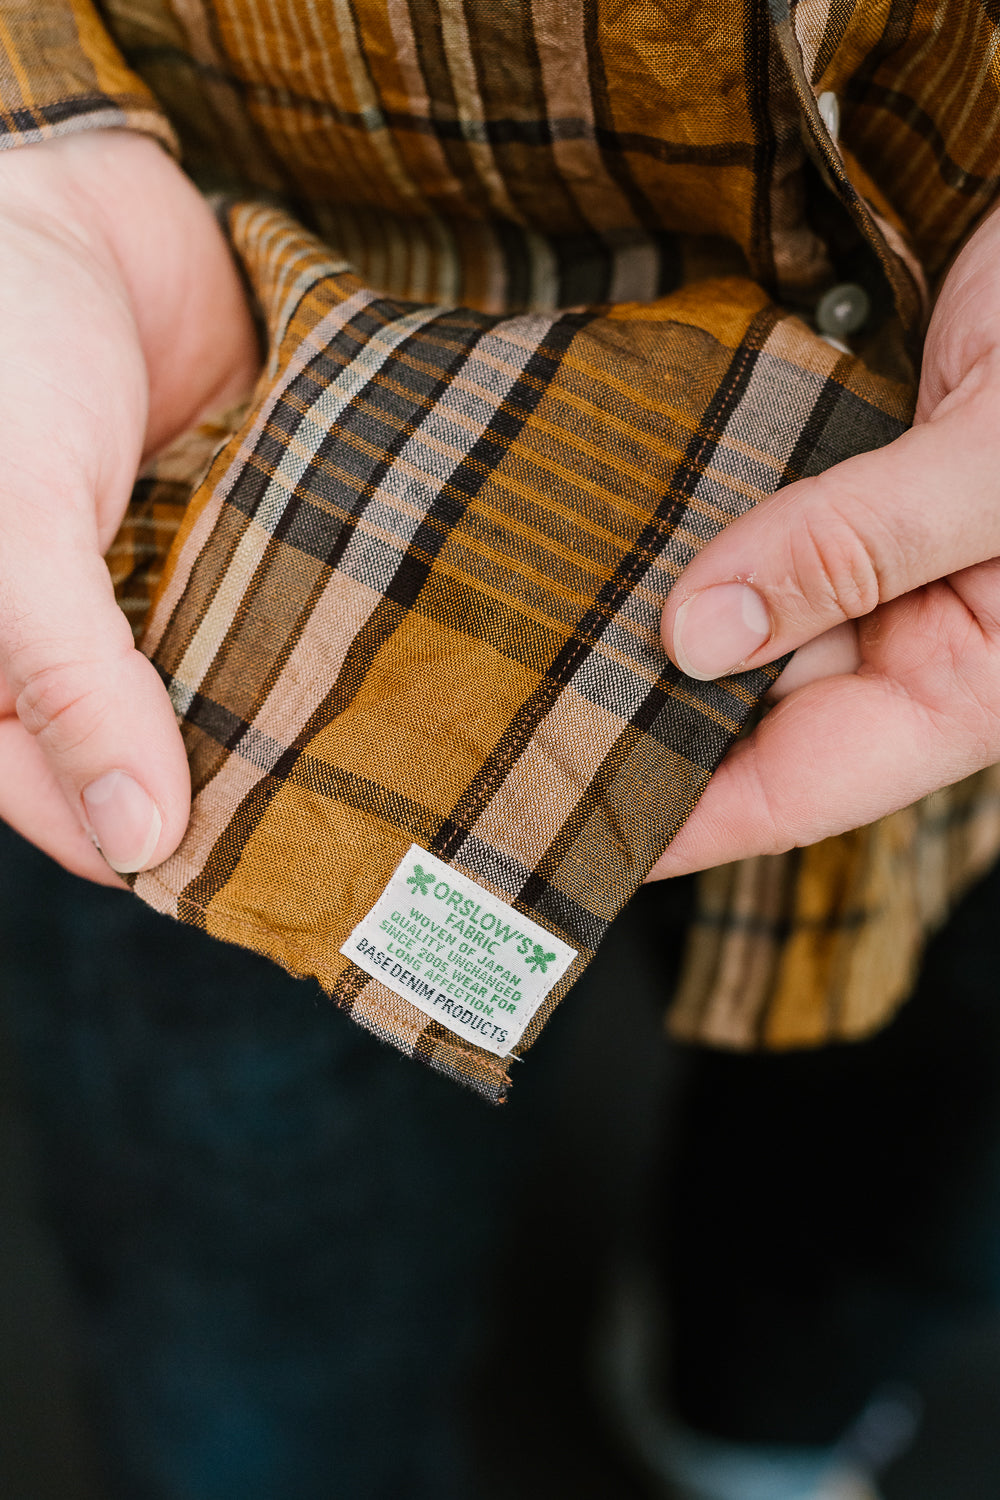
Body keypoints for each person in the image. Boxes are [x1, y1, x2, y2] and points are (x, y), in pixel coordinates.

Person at [2, 1, 1000, 1495]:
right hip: (219, 484)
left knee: (893, 1196)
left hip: (963, 556)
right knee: (258, 1365)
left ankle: (756, 1416)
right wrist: (28, 148)